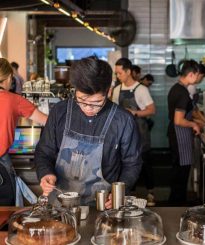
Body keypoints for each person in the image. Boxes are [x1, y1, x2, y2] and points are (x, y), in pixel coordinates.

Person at [34, 57, 142, 208]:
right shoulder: (60, 112)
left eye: (96, 103)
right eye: (82, 100)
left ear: (109, 91)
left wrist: (120, 191)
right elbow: (44, 151)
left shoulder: (123, 120)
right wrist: (46, 173)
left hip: (102, 207)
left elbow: (132, 163)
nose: (88, 108)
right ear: (75, 90)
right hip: (59, 205)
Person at [0, 58, 48, 206]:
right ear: (9, 78)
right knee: (6, 209)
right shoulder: (14, 100)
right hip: (1, 161)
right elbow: (47, 121)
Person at [112, 58, 156, 206]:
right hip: (124, 133)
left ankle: (151, 193)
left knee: (145, 162)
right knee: (127, 163)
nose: (118, 76)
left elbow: (152, 110)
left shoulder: (141, 89)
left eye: (119, 73)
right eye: (116, 73)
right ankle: (132, 195)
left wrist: (134, 112)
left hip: (141, 131)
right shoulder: (117, 90)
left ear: (128, 72)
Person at [167, 59, 201, 206]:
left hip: (178, 135)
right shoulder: (181, 92)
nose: (198, 79)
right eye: (198, 75)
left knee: (179, 172)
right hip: (179, 135)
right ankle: (177, 206)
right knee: (181, 173)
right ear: (192, 74)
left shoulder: (176, 88)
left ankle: (176, 203)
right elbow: (178, 120)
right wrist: (194, 124)